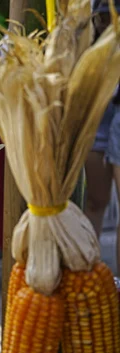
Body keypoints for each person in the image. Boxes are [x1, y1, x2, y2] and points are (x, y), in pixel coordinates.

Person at [84, 0, 120, 271]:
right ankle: (88, 272)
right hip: (96, 127)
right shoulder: (87, 43)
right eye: (104, 16)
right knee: (96, 200)